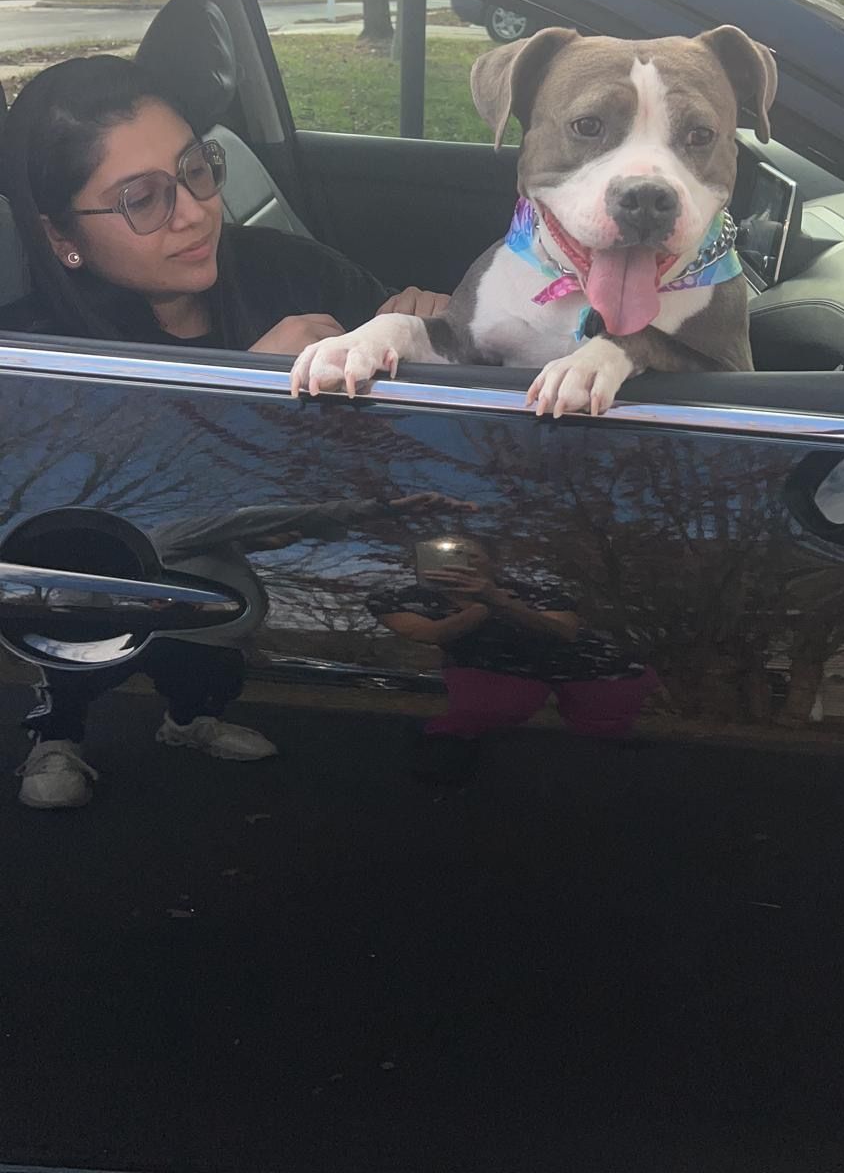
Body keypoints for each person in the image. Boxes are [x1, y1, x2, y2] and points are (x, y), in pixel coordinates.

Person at [0, 54, 448, 808]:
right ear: (59, 235)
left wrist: (426, 331)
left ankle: (190, 720)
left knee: (206, 662)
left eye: (196, 169)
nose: (195, 212)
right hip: (106, 579)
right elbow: (81, 503)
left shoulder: (292, 271)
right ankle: (57, 736)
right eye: (143, 199)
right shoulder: (38, 358)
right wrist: (248, 387)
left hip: (258, 576)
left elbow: (418, 402)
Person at [368, 539, 657, 783]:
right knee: (473, 720)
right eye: (441, 556)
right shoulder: (397, 598)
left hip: (595, 667)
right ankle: (440, 765)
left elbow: (564, 631)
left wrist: (502, 601)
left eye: (471, 556)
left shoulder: (537, 592)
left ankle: (601, 788)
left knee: (601, 740)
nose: (458, 562)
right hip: (496, 667)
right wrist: (483, 606)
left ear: (493, 562)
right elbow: (427, 633)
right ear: (419, 563)